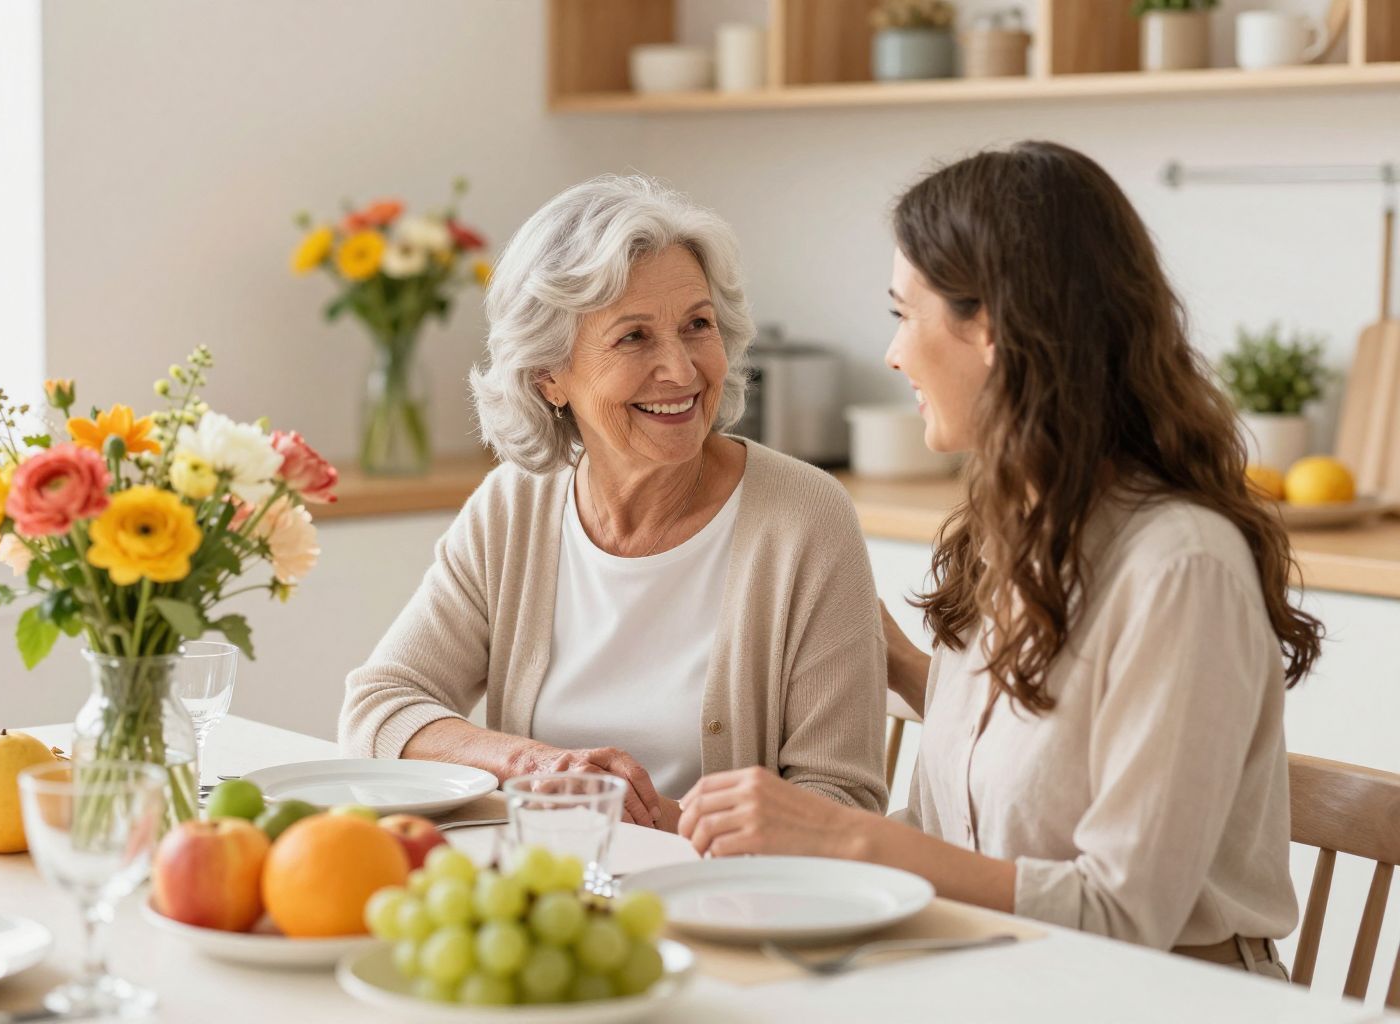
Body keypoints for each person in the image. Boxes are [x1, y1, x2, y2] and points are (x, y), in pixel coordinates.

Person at [678, 142, 1321, 976]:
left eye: (904, 314)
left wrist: (842, 836)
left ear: (991, 326)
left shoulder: (1182, 569)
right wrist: (884, 661)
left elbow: (1124, 913)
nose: (893, 353)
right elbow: (991, 792)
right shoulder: (1015, 531)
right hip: (998, 973)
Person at [340, 174, 887, 831]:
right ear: (549, 376)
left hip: (721, 907)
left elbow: (846, 806)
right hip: (541, 893)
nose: (682, 370)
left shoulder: (803, 517)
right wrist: (531, 765)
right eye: (634, 338)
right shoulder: (515, 507)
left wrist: (659, 819)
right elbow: (379, 705)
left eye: (697, 326)